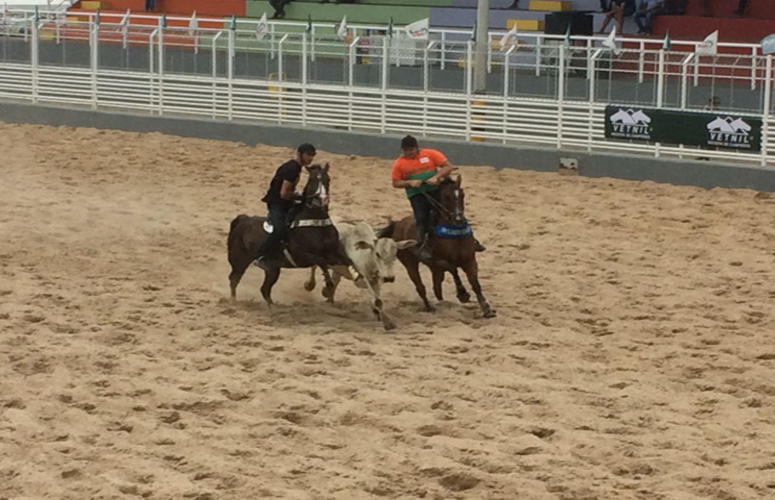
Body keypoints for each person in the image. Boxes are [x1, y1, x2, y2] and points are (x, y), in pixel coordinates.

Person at [391, 135, 484, 262]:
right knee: (421, 217)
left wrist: (437, 177)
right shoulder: (399, 164)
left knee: (453, 210)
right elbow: (396, 183)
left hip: (436, 190)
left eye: (411, 150)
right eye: (406, 150)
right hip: (418, 194)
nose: (409, 153)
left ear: (417, 148)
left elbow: (448, 167)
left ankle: (472, 240)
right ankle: (422, 245)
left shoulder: (430, 154)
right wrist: (410, 183)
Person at [254, 143, 316, 269]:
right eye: (308, 155)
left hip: (285, 202)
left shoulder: (296, 167)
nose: (311, 158)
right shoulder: (292, 169)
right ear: (300, 154)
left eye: (312, 156)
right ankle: (262, 256)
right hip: (277, 203)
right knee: (279, 230)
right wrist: (299, 197)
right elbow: (284, 193)